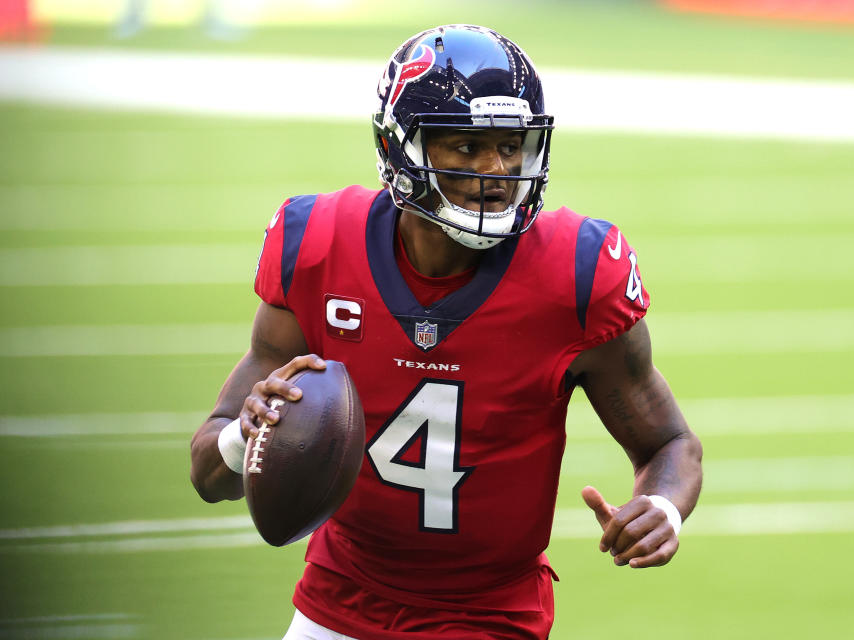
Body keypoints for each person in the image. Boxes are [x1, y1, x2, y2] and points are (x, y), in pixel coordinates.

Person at [190, 24, 703, 640]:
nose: (496, 172)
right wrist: (243, 439)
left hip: (492, 613)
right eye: (466, 147)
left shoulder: (576, 272)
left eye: (511, 146)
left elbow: (671, 442)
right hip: (338, 597)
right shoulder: (319, 246)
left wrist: (664, 507)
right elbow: (208, 473)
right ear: (398, 146)